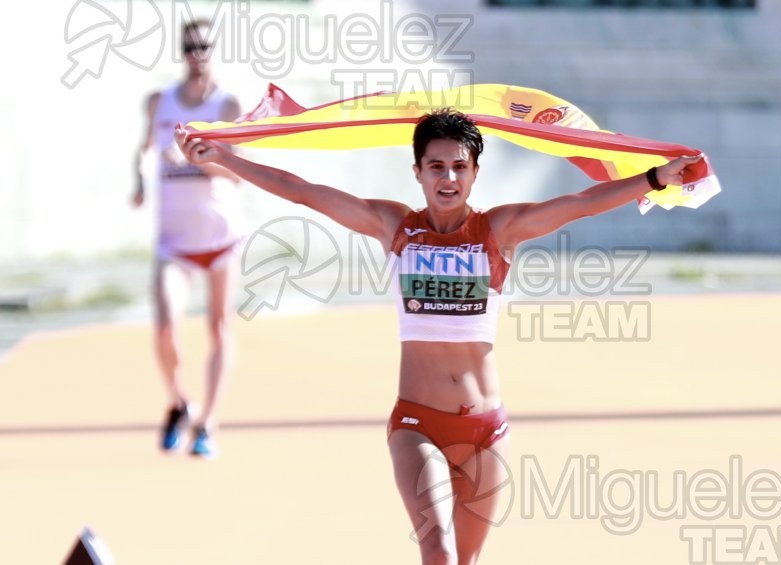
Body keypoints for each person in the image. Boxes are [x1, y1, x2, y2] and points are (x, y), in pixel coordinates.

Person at [176, 110, 701, 562]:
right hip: (416, 424)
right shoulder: (395, 227)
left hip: (487, 430)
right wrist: (224, 157)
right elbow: (304, 193)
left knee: (464, 560)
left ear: (474, 174)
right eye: (436, 167)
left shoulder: (499, 231)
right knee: (439, 553)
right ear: (418, 172)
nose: (447, 177)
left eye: (458, 167)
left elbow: (583, 203)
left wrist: (655, 178)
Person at [132, 19, 244, 459]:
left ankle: (208, 424)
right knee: (164, 328)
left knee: (218, 328)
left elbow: (239, 173)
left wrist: (196, 159)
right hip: (174, 242)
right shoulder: (159, 102)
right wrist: (138, 182)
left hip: (220, 236)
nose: (198, 54)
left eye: (205, 47)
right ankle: (180, 402)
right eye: (190, 46)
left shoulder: (227, 105)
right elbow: (143, 147)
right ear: (182, 52)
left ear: (214, 51)